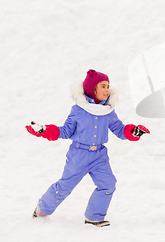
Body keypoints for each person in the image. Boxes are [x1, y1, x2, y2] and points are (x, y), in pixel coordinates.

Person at [27, 69, 150, 227]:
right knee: (65, 186)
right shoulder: (78, 110)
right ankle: (42, 209)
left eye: (108, 86)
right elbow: (65, 131)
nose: (107, 90)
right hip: (79, 154)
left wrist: (133, 131)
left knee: (108, 184)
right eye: (103, 86)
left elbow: (120, 130)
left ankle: (94, 217)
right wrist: (44, 130)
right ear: (93, 89)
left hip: (99, 155)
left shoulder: (108, 111)